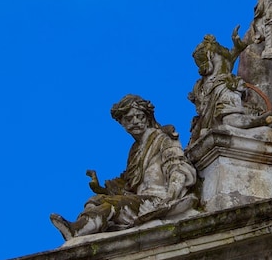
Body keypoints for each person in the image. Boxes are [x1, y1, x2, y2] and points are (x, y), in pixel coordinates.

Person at [49, 95, 197, 240]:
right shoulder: (135, 149)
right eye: (129, 119)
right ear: (122, 123)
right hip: (140, 198)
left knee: (115, 205)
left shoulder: (163, 138)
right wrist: (102, 188)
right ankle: (81, 226)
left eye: (140, 117)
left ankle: (77, 231)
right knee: (96, 200)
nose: (135, 122)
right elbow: (129, 182)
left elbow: (177, 166)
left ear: (148, 117)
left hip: (157, 199)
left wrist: (171, 196)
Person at [188, 34, 272, 141]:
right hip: (223, 97)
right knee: (230, 115)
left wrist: (238, 48)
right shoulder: (224, 86)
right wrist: (260, 121)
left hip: (215, 101)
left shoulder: (208, 82)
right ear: (210, 55)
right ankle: (254, 118)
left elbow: (227, 61)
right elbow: (230, 120)